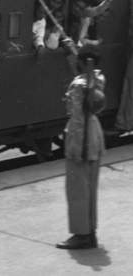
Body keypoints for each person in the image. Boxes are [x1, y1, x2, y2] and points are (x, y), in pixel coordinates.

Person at [56, 50, 106, 250]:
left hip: (81, 136)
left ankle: (81, 235)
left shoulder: (80, 86)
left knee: (77, 189)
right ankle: (90, 231)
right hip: (94, 134)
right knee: (89, 188)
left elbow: (78, 115)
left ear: (83, 63)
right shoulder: (98, 78)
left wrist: (76, 147)